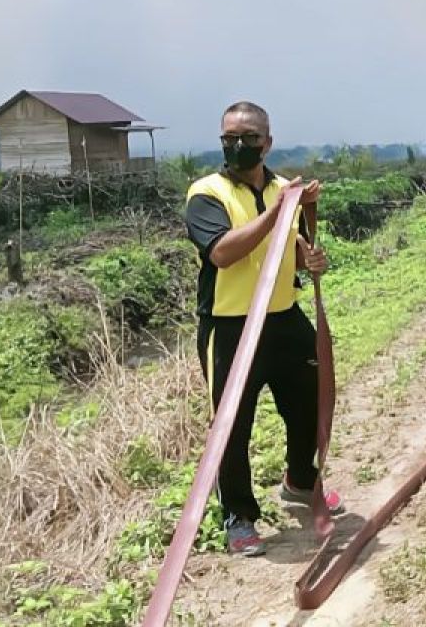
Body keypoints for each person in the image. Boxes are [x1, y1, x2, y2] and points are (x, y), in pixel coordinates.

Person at [184, 101, 344, 557]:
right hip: (230, 327)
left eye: (248, 138)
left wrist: (307, 256)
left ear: (266, 143)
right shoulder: (206, 194)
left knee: (310, 402)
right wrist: (279, 212)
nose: (238, 146)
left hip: (283, 318)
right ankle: (239, 515)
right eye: (229, 138)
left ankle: (299, 478)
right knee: (232, 426)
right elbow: (222, 253)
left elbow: (289, 247)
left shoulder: (279, 190)